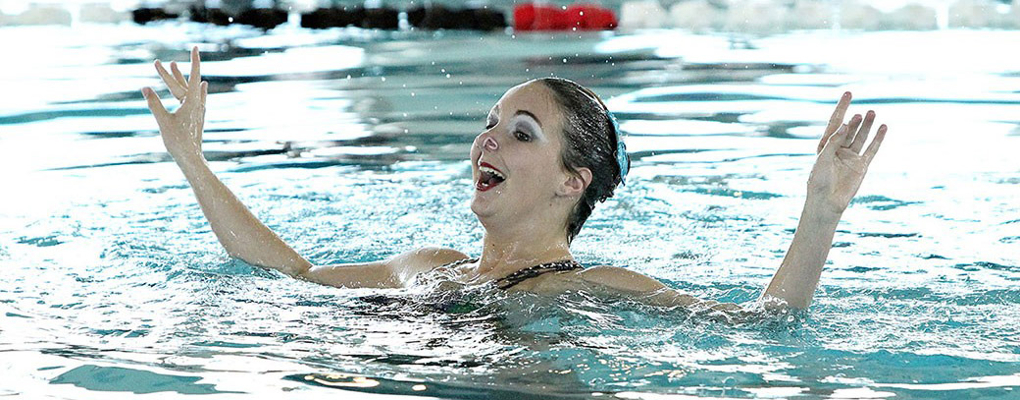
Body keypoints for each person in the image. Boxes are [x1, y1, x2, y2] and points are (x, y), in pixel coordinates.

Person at [141, 47, 887, 314]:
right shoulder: (427, 267)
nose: (486, 138)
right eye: (492, 121)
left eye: (521, 132)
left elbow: (764, 326)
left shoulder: (593, 286)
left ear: (573, 181)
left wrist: (820, 214)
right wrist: (193, 161)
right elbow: (293, 273)